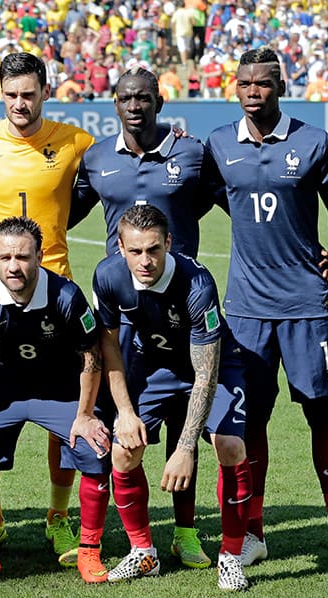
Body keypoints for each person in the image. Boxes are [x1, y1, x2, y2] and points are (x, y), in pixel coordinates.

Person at [204, 47, 328, 574]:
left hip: (307, 306)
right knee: (248, 421)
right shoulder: (218, 145)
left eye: (264, 84)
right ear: (235, 88)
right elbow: (212, 195)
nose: (254, 92)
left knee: (322, 414)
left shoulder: (314, 142)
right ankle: (252, 534)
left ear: (281, 85)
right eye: (244, 84)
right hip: (248, 310)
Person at [71, 67, 216, 570]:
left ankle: (186, 532)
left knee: (184, 427)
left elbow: (234, 198)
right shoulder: (96, 158)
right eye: (127, 98)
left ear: (159, 100)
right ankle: (127, 540)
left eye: (144, 98)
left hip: (182, 306)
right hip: (124, 315)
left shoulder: (191, 153)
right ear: (115, 103)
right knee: (120, 428)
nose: (135, 106)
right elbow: (65, 213)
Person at [0, 51, 95, 564]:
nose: (20, 103)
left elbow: (96, 187)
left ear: (45, 91)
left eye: (29, 93)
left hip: (55, 287)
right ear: (1, 93)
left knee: (61, 406)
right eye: (11, 94)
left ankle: (58, 517)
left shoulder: (74, 141)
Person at [93, 205, 253, 591]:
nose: (144, 261)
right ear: (120, 247)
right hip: (155, 366)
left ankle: (231, 558)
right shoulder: (108, 275)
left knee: (230, 445)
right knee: (123, 451)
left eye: (153, 250)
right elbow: (110, 349)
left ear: (168, 243)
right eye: (135, 251)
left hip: (213, 367)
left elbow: (205, 376)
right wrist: (125, 413)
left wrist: (185, 447)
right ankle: (143, 552)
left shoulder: (197, 286)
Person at [0, 217, 111, 582]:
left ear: (40, 255)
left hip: (61, 385)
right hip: (7, 384)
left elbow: (92, 357)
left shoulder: (67, 296)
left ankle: (88, 551)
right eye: (5, 257)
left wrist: (85, 414)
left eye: (23, 257)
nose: (13, 266)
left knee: (94, 449)